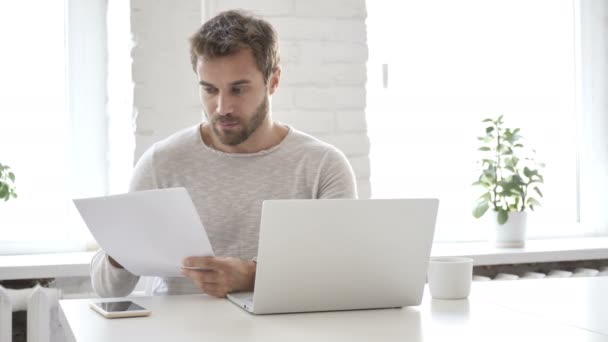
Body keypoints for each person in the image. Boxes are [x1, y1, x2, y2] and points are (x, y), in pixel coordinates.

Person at [91, 10, 357, 299]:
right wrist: (120, 251)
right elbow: (108, 289)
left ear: (273, 82)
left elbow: (340, 276)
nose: (222, 107)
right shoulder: (162, 163)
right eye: (209, 90)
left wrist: (252, 276)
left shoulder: (323, 167)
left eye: (238, 89)